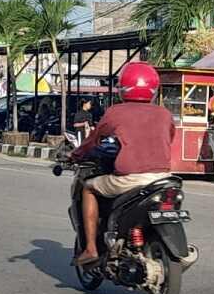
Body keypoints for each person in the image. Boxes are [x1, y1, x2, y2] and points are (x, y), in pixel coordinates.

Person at [72, 62, 175, 266]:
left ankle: (91, 248)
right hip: (163, 178)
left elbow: (93, 139)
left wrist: (76, 155)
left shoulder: (115, 112)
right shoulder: (164, 113)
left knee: (88, 188)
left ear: (123, 88)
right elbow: (169, 137)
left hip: (130, 179)